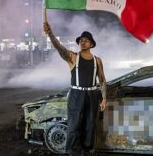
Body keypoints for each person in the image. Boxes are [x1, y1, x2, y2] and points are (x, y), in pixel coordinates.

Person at [44, 21, 107, 156]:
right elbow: (59, 47)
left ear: (91, 44)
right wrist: (50, 34)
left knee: (90, 126)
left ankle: (87, 151)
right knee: (74, 126)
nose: (83, 42)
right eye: (81, 40)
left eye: (86, 40)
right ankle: (71, 152)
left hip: (93, 96)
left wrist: (104, 99)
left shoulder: (98, 60)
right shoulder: (72, 57)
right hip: (76, 95)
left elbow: (102, 81)